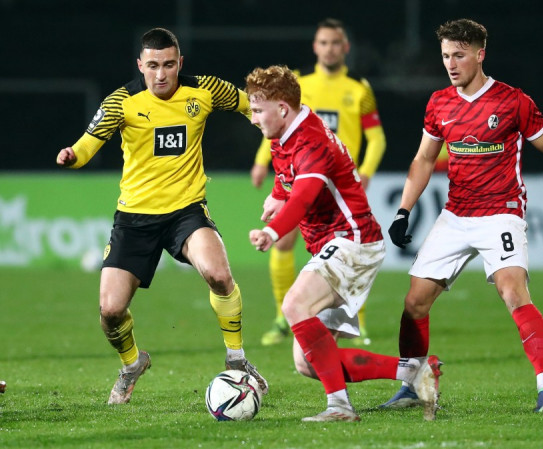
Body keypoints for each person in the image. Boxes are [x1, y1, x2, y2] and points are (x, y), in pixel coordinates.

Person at [381, 18, 543, 413]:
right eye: (445, 56)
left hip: (501, 213)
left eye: (459, 55)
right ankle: (413, 386)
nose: (450, 64)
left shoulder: (512, 101)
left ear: (480, 54)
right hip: (456, 214)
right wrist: (404, 211)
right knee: (414, 302)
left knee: (512, 290)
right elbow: (424, 159)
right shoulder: (440, 102)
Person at [55, 28, 268, 404]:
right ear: (140, 65)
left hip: (186, 211)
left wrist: (274, 128)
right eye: (153, 65)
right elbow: (88, 145)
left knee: (219, 275)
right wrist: (72, 156)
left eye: (169, 64)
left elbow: (249, 105)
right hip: (134, 219)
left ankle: (236, 358)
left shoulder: (204, 90)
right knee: (110, 311)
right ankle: (132, 364)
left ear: (180, 63)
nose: (161, 74)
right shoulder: (122, 101)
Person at [245, 65, 442, 422]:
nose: (253, 117)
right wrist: (276, 197)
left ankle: (339, 407)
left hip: (352, 241)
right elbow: (287, 180)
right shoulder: (284, 134)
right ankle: (415, 373)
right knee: (308, 362)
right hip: (335, 244)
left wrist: (272, 232)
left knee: (294, 304)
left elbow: (303, 197)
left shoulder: (311, 140)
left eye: (258, 110)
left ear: (283, 108)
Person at [250, 18, 386, 347]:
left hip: (333, 186)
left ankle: (355, 320)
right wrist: (265, 168)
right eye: (323, 43)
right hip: (304, 180)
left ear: (345, 47)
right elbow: (277, 136)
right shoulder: (299, 84)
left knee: (343, 249)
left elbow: (376, 138)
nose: (329, 49)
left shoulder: (359, 88)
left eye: (335, 43)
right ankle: (284, 318)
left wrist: (365, 171)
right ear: (315, 47)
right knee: (289, 246)